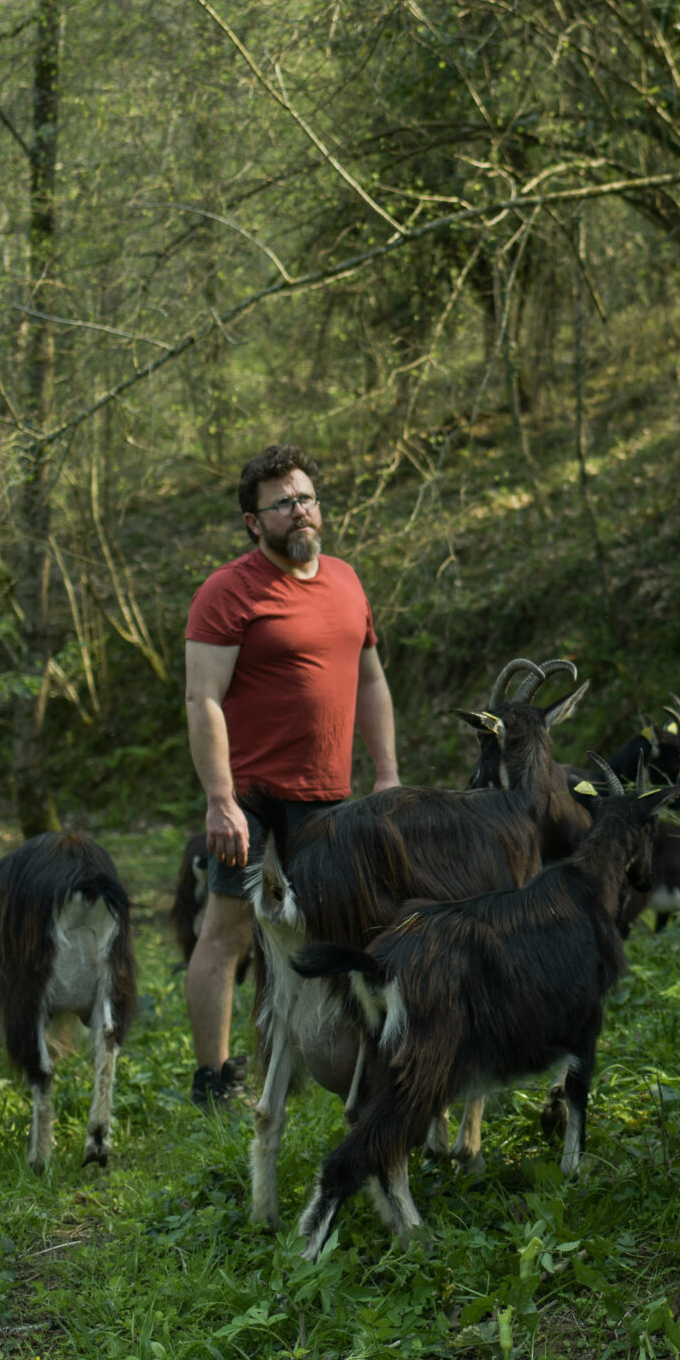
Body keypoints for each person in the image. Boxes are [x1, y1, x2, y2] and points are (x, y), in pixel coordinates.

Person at [182, 445, 399, 1110]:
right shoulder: (228, 591)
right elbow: (203, 698)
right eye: (283, 503)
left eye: (306, 497)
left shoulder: (346, 580)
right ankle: (215, 1079)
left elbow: (370, 681)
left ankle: (327, 1059)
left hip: (329, 795)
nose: (300, 511)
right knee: (228, 932)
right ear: (255, 522)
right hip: (250, 796)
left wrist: (387, 774)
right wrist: (221, 801)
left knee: (334, 928)